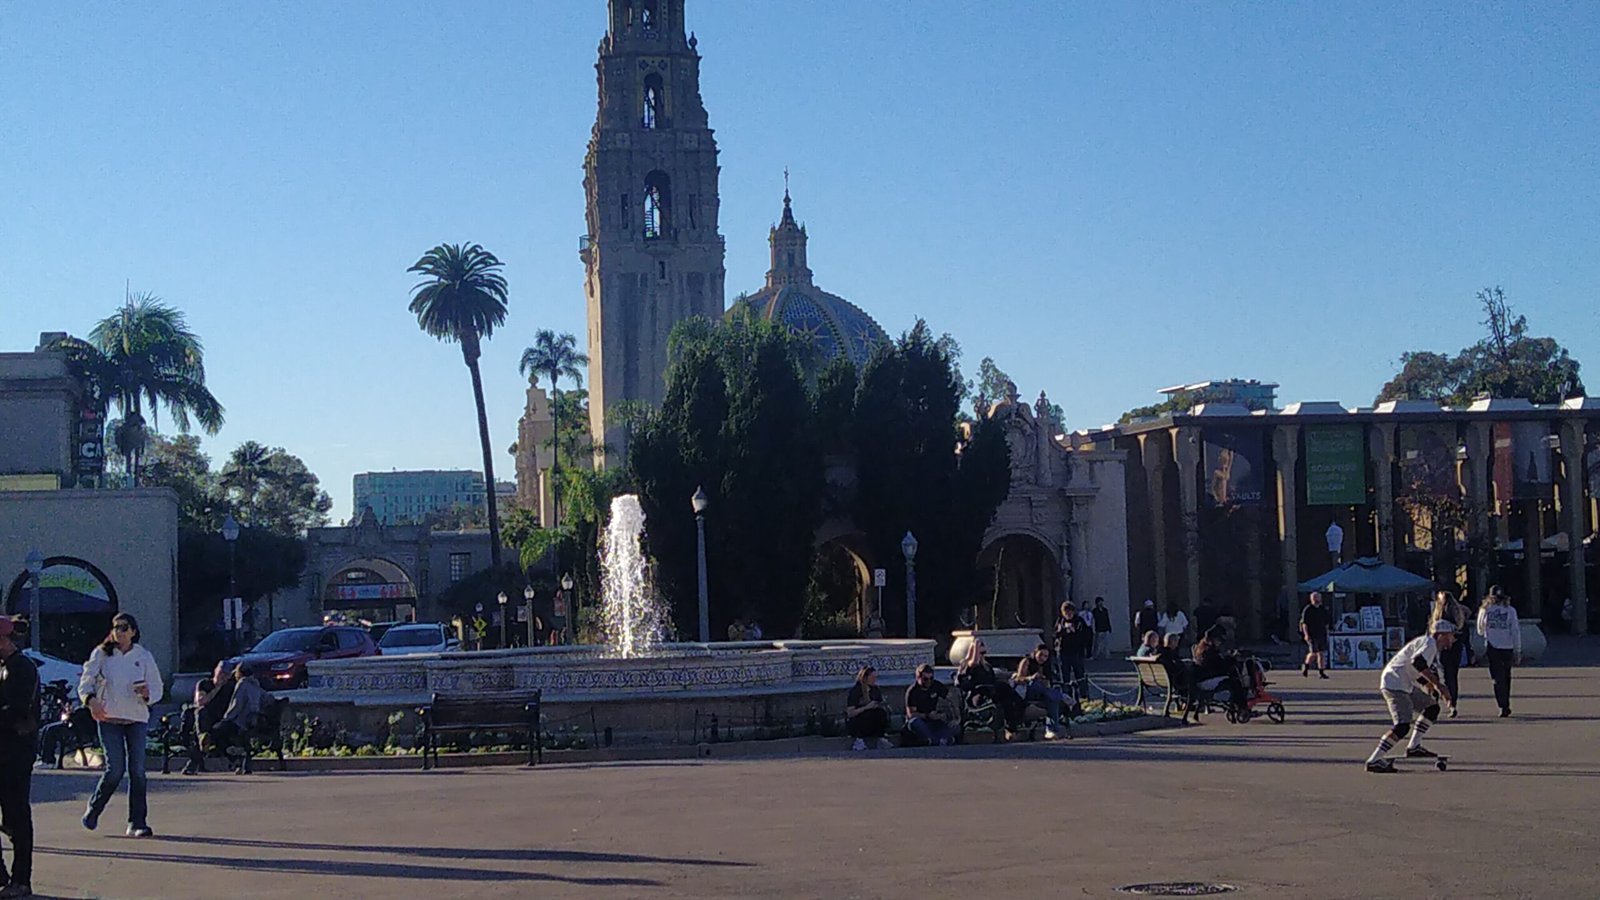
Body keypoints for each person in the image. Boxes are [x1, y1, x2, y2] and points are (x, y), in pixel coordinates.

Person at [78, 612, 163, 837]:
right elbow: (85, 682)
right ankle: (94, 809)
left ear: (133, 631)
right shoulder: (102, 654)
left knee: (137, 771)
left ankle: (137, 822)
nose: (119, 632)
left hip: (136, 718)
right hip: (109, 718)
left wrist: (147, 694)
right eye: (116, 627)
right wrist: (91, 701)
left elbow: (157, 687)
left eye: (124, 627)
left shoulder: (143, 656)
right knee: (115, 769)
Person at [1364, 620, 1455, 773]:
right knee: (1402, 725)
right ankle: (1374, 760)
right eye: (1451, 635)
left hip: (1403, 682)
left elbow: (1413, 668)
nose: (1453, 639)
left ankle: (1414, 746)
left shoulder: (1426, 643)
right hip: (1394, 684)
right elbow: (1418, 662)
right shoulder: (1429, 643)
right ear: (1441, 635)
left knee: (1431, 707)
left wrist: (1430, 686)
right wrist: (1438, 685)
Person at [0, 616, 39, 899]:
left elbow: (17, 710)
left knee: (16, 814)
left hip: (16, 751)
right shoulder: (3, 667)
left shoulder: (22, 668)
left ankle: (21, 879)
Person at [189, 664, 265, 774]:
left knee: (213, 735)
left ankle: (199, 754)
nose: (223, 676)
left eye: (226, 674)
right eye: (221, 673)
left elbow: (236, 705)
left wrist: (226, 719)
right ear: (216, 671)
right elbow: (201, 702)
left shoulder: (237, 685)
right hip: (210, 719)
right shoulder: (204, 684)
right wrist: (217, 688)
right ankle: (204, 740)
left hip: (230, 721)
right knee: (201, 713)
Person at [956, 638, 1034, 739]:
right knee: (1002, 686)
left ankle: (1011, 729)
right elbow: (973, 664)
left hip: (991, 693)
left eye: (984, 652)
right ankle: (1024, 704)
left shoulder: (987, 666)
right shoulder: (966, 664)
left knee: (1007, 701)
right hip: (977, 695)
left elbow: (993, 679)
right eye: (980, 652)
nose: (982, 655)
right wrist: (975, 646)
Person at [1477, 586, 1522, 718]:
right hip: (1507, 646)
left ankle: (1502, 705)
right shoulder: (1510, 610)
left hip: (1492, 646)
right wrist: (1517, 649)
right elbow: (1515, 630)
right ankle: (1506, 704)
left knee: (1497, 678)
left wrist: (1489, 632)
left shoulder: (1485, 610)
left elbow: (1480, 629)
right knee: (1506, 676)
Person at [1014, 645, 1066, 740]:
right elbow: (1018, 679)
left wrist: (1046, 682)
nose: (1043, 658)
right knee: (1037, 684)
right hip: (1026, 691)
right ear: (1035, 653)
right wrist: (1030, 677)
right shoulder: (1027, 661)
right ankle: (1062, 696)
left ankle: (1051, 730)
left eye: (1046, 656)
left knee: (1052, 701)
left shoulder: (1046, 665)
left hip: (1041, 692)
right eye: (1041, 655)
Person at [1430, 590, 1468, 717]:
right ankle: (1453, 704)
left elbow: (1431, 633)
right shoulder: (1458, 616)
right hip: (1456, 646)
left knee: (1439, 674)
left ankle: (1437, 702)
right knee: (1452, 676)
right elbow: (1464, 633)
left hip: (1441, 646)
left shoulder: (1438, 617)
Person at [1191, 627, 1246, 711]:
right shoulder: (1208, 651)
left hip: (1203, 678)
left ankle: (1237, 705)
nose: (1220, 643)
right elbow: (1220, 666)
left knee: (1232, 679)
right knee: (1235, 682)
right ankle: (1242, 707)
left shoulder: (1201, 648)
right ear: (1212, 640)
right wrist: (1232, 658)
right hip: (1207, 680)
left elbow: (1217, 663)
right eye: (1218, 640)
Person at [903, 664, 957, 746]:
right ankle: (938, 740)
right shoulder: (913, 691)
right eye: (925, 679)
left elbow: (950, 699)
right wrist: (927, 715)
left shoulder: (936, 685)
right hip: (922, 720)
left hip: (934, 721)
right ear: (918, 678)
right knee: (914, 723)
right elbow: (911, 715)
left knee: (955, 727)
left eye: (931, 678)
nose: (928, 681)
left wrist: (954, 717)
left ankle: (935, 740)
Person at [1053, 603, 1093, 701]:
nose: (1068, 614)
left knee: (1080, 675)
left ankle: (1083, 697)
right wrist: (1061, 631)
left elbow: (1086, 635)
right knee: (1064, 676)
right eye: (1065, 612)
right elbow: (1055, 634)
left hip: (1076, 652)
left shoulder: (1079, 621)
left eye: (1070, 611)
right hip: (1063, 652)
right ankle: (1066, 696)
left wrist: (1074, 632)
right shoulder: (1060, 621)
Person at [844, 666, 891, 750]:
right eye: (872, 677)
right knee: (865, 715)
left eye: (875, 677)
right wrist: (866, 707)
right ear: (865, 678)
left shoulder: (875, 689)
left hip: (873, 720)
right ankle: (859, 741)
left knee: (880, 713)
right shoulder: (856, 691)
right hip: (859, 720)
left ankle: (880, 737)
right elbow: (850, 713)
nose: (874, 680)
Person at [1299, 591, 1331, 679]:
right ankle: (1306, 665)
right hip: (1312, 634)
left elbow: (1326, 623)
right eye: (1314, 598)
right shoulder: (1308, 609)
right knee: (1313, 653)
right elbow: (1304, 623)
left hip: (1322, 634)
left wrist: (1327, 633)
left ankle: (1321, 672)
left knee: (1321, 653)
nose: (1316, 599)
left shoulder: (1323, 609)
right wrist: (1306, 634)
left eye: (1318, 597)